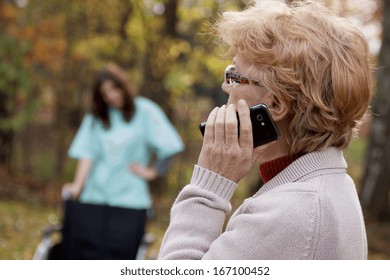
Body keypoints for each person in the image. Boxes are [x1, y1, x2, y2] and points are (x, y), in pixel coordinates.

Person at [158, 0, 372, 260]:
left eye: (235, 75)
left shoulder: (290, 212)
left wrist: (207, 190)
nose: (226, 87)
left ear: (275, 103)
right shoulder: (328, 187)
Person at [62, 63, 184, 260]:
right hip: (94, 198)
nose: (111, 96)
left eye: (114, 88)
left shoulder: (145, 111)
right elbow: (87, 153)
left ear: (123, 86)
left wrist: (152, 172)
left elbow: (171, 145)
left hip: (130, 201)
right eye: (105, 93)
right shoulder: (97, 117)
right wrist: (77, 186)